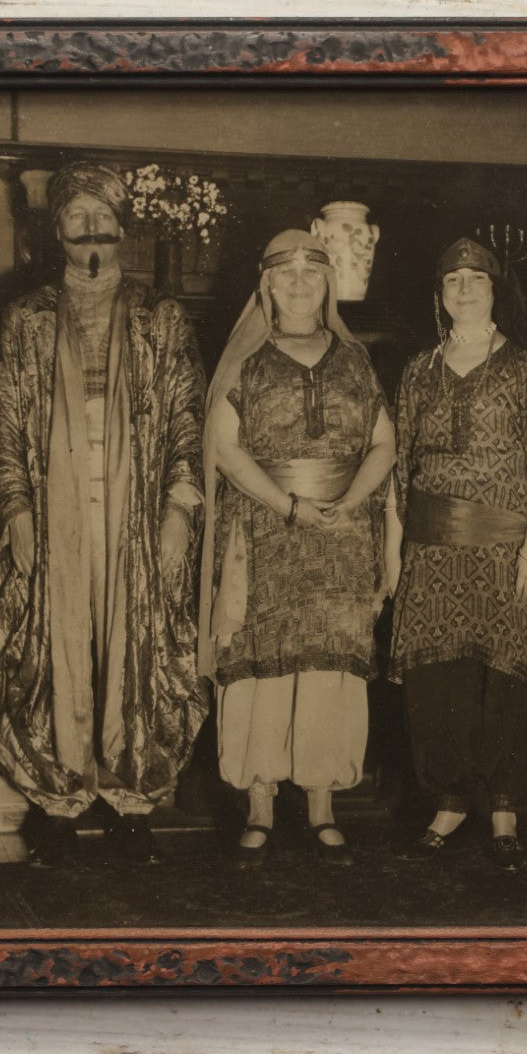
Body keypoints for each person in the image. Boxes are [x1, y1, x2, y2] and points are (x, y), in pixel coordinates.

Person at [0, 161, 209, 868]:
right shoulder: (26, 318)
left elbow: (187, 423)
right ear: (58, 231)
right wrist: (15, 509)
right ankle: (57, 802)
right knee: (56, 645)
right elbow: (6, 421)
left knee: (136, 643)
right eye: (75, 218)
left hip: (137, 505)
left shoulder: (161, 316)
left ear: (122, 226)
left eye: (100, 216)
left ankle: (132, 803)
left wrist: (178, 510)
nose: (89, 228)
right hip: (55, 505)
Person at [200, 229, 396, 868]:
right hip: (264, 532)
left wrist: (350, 502)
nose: (300, 282)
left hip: (342, 536)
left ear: (329, 282)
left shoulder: (356, 359)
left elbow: (383, 443)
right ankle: (259, 803)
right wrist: (288, 506)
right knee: (262, 660)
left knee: (329, 664)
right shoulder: (247, 360)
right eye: (285, 272)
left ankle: (321, 804)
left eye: (313, 270)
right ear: (266, 284)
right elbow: (225, 451)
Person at [388, 237, 527, 873]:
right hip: (433, 549)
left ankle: (502, 805)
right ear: (438, 295)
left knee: (507, 678)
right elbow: (400, 468)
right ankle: (447, 800)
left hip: (506, 548)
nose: (464, 288)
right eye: (452, 280)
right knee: (435, 680)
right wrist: (396, 553)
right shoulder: (417, 370)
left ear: (497, 290)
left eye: (476, 278)